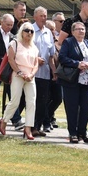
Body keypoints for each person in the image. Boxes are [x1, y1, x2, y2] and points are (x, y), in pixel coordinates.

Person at [58, 21, 88, 143]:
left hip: (86, 81)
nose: (81, 31)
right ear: (72, 31)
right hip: (72, 80)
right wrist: (77, 64)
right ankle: (73, 133)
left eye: (83, 29)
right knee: (72, 107)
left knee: (86, 106)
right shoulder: (68, 42)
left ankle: (83, 132)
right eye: (78, 29)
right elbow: (62, 57)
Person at [0, 21, 39, 138]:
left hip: (30, 77)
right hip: (17, 74)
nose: (29, 33)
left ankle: (28, 128)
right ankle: (4, 121)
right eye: (26, 30)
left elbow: (36, 64)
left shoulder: (34, 47)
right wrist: (20, 72)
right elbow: (11, 59)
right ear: (21, 31)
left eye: (31, 31)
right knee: (15, 101)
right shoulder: (14, 43)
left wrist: (31, 74)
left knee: (31, 102)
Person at [32, 7, 56, 136]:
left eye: (45, 15)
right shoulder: (29, 30)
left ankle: (38, 126)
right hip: (31, 73)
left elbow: (51, 55)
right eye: (41, 16)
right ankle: (30, 126)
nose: (44, 18)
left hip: (45, 73)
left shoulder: (48, 33)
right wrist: (35, 59)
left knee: (42, 101)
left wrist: (54, 71)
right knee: (32, 100)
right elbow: (23, 50)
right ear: (35, 17)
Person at [47, 13, 65, 130]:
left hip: (58, 73)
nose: (62, 23)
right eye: (60, 21)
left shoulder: (61, 39)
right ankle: (47, 120)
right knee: (47, 98)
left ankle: (48, 116)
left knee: (58, 98)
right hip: (46, 73)